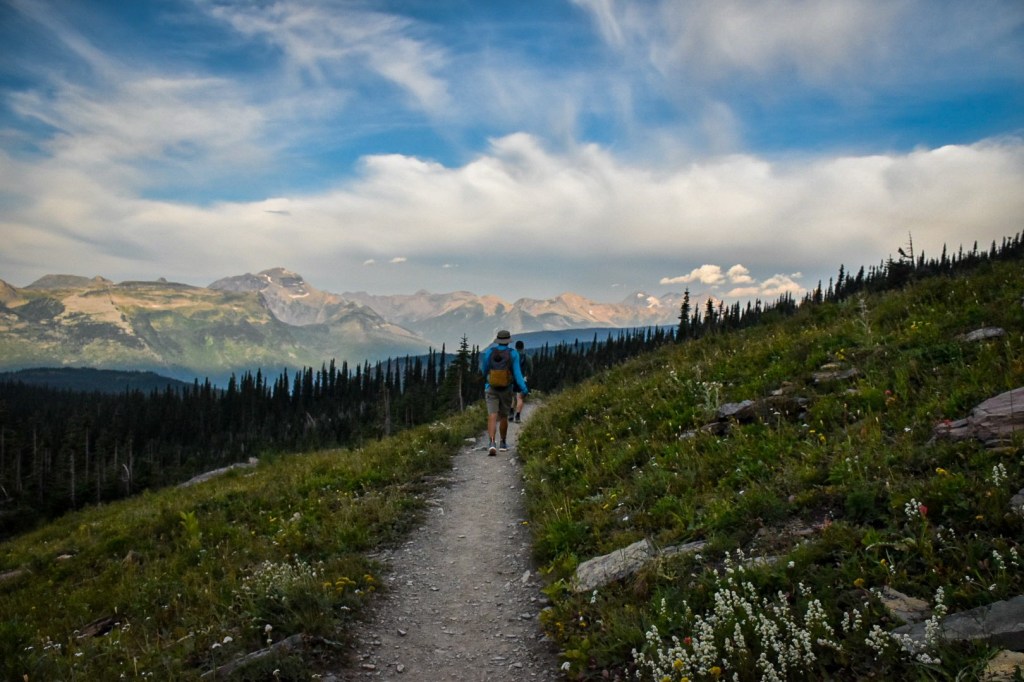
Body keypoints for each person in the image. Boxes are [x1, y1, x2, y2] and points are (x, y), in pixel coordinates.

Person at [480, 330, 528, 455]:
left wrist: (486, 381)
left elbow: (484, 369)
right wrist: (523, 388)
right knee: (504, 416)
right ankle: (502, 443)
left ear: (498, 340)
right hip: (506, 389)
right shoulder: (513, 354)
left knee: (492, 415)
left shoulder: (489, 352)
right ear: (508, 341)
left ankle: (491, 443)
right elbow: (517, 374)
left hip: (491, 387)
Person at [509, 339, 528, 423]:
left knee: (512, 397)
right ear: (523, 347)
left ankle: (510, 414)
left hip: (512, 379)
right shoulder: (527, 357)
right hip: (521, 379)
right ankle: (517, 416)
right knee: (520, 398)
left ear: (515, 347)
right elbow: (530, 369)